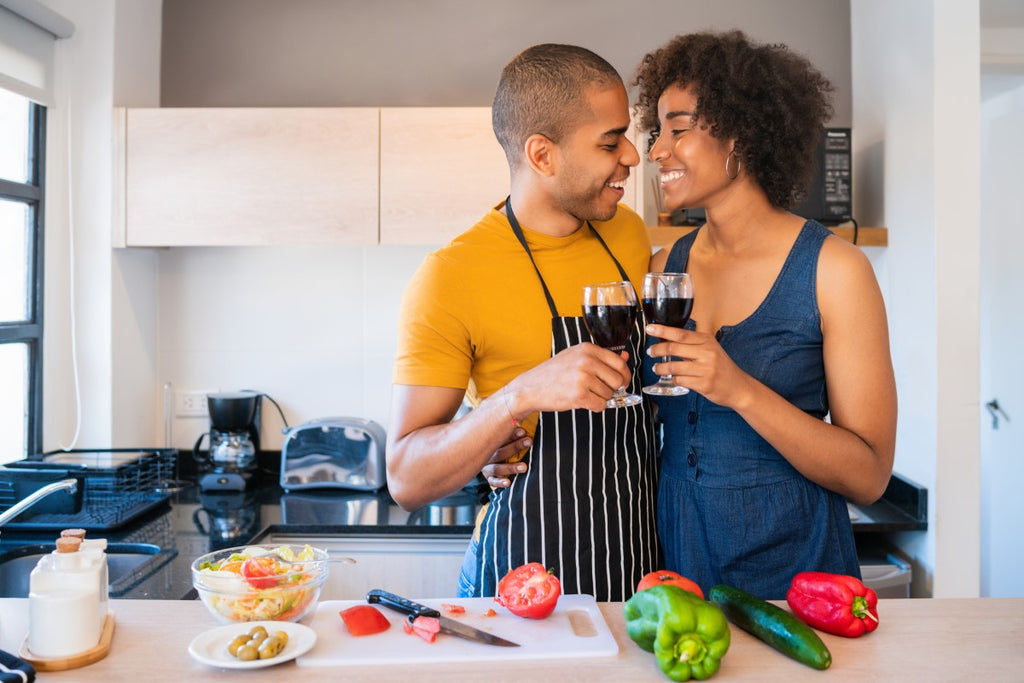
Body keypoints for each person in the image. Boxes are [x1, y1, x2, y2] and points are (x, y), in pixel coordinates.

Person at [387, 44, 660, 601]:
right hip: (522, 580)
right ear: (542, 155)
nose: (631, 156)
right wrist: (514, 398)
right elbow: (407, 479)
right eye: (610, 142)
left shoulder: (628, 234)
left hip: (641, 570)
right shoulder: (451, 275)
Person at [632, 30, 897, 600]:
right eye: (659, 133)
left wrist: (738, 388)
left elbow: (870, 475)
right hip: (678, 571)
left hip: (797, 579)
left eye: (678, 129)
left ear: (741, 135)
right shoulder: (662, 267)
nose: (656, 152)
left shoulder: (835, 270)